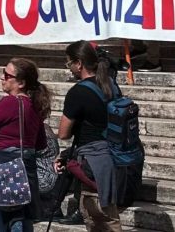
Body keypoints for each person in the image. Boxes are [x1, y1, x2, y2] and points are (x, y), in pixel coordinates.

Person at [0, 58, 50, 232]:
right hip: (26, 171)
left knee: (7, 221)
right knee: (22, 219)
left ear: (21, 83)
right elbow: (41, 144)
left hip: (6, 168)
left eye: (7, 75)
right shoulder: (34, 105)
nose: (2, 77)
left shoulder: (10, 102)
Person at [58, 41, 123, 232]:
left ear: (79, 63)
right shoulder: (111, 84)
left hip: (92, 161)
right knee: (108, 217)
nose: (69, 68)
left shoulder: (78, 92)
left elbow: (63, 133)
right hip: (113, 156)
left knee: (100, 221)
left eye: (69, 63)